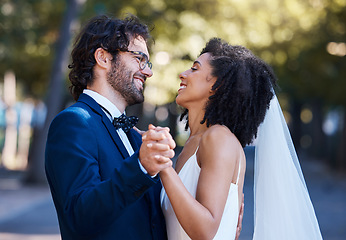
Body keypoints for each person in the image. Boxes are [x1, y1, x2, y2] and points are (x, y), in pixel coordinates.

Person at [156, 38, 323, 239]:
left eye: (194, 68)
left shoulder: (219, 138)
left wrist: (163, 165)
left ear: (218, 84)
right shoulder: (193, 144)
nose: (183, 74)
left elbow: (205, 230)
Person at [45, 15, 175, 239]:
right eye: (138, 58)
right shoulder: (74, 122)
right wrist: (141, 167)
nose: (148, 71)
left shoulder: (136, 137)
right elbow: (78, 215)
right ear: (103, 58)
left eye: (148, 62)